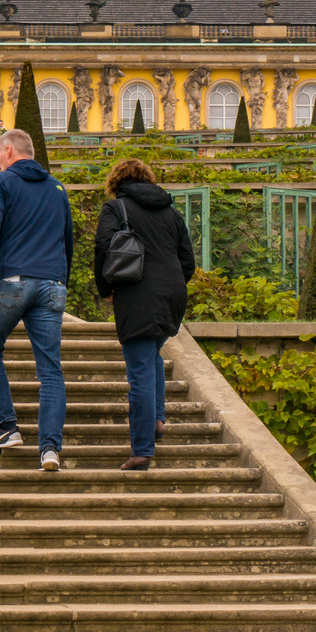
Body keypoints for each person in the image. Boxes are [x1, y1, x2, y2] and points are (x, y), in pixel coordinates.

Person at [0, 128, 74, 471]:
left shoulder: (1, 183)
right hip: (52, 283)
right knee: (51, 371)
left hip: (12, 280)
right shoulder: (57, 188)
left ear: (10, 150)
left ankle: (7, 426)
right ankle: (50, 449)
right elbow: (67, 239)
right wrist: (61, 280)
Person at [92, 158, 195, 471]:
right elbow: (187, 260)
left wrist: (105, 287)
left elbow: (103, 248)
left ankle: (142, 451)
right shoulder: (171, 212)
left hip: (136, 293)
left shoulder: (116, 209)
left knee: (138, 371)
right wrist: (171, 284)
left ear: (116, 182)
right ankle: (157, 420)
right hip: (172, 295)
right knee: (151, 358)